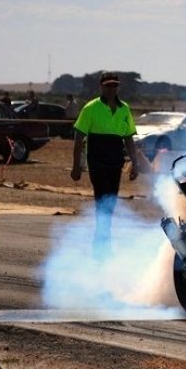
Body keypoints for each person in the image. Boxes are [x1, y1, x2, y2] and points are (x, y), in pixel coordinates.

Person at [71, 72, 150, 258]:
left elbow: (128, 138)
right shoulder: (91, 108)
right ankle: (101, 244)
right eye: (108, 85)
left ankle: (103, 239)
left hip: (115, 161)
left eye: (115, 85)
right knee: (102, 200)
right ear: (101, 87)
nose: (112, 88)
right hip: (97, 160)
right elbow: (78, 138)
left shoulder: (124, 109)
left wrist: (135, 163)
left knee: (111, 201)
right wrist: (76, 166)